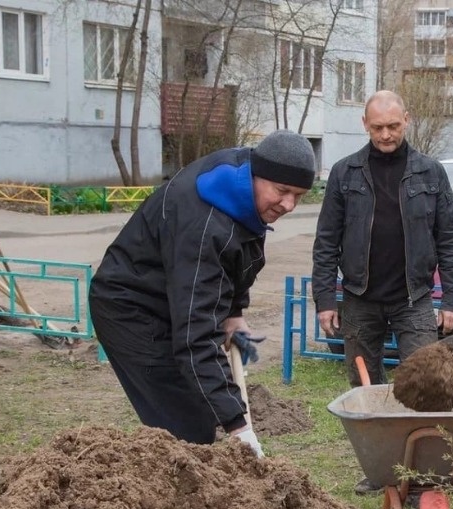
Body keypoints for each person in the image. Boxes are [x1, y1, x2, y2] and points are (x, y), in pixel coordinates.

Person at [89, 130, 316, 458]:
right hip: (130, 309)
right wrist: (240, 428)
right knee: (187, 425)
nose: (290, 205)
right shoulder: (207, 226)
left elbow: (240, 256)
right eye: (282, 191)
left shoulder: (242, 190)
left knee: (197, 413)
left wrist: (234, 312)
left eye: (299, 195)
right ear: (257, 174)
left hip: (170, 296)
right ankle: (171, 499)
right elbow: (196, 339)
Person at [311, 90, 453, 493]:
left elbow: (449, 239)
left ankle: (421, 475)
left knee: (425, 384)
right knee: (366, 387)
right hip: (360, 298)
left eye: (393, 126)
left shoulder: (430, 173)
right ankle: (382, 470)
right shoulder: (345, 174)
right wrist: (325, 300)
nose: (385, 135)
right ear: (365, 125)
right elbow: (326, 241)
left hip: (413, 298)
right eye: (377, 127)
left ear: (407, 120)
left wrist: (452, 300)